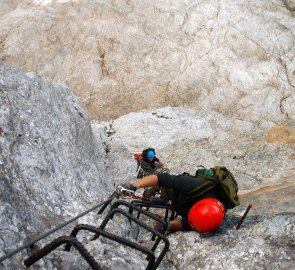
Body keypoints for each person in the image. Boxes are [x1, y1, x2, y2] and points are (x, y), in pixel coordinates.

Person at [122, 172, 226, 233]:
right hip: (177, 193)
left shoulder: (209, 219)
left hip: (179, 202)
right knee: (162, 190)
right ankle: (152, 190)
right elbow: (160, 178)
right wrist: (134, 186)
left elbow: (185, 224)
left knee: (166, 197)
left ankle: (154, 192)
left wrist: (168, 225)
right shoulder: (193, 185)